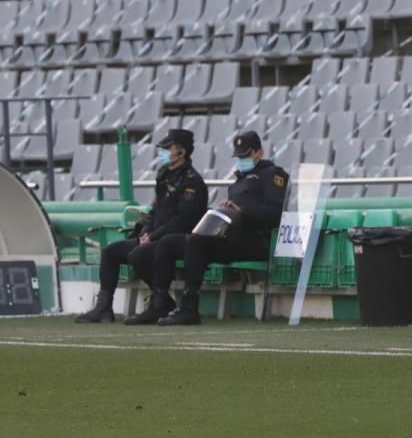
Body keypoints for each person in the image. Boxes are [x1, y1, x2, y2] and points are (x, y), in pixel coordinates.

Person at [153, 132, 289, 326]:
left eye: (246, 155)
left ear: (259, 153)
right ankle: (158, 303)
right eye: (239, 156)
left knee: (195, 242)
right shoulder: (238, 181)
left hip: (253, 241)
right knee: (169, 243)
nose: (242, 160)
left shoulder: (272, 175)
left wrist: (242, 210)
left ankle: (189, 307)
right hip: (230, 237)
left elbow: (276, 213)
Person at [77, 129, 208, 324]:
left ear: (182, 153)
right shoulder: (164, 175)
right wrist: (146, 231)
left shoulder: (192, 181)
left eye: (167, 148)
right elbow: (154, 211)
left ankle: (160, 302)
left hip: (175, 241)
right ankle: (104, 307)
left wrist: (152, 237)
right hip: (154, 237)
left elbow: (183, 220)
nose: (162, 152)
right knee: (111, 252)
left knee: (138, 254)